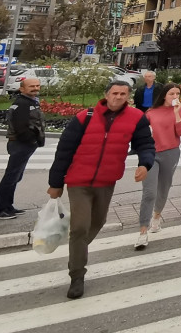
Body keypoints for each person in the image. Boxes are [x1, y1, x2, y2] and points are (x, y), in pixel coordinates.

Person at [48, 80, 155, 299]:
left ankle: (76, 251)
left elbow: (145, 144)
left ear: (128, 97)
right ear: (106, 94)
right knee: (79, 227)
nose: (118, 97)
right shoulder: (83, 118)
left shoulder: (136, 118)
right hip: (79, 181)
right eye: (115, 93)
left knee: (97, 222)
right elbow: (64, 151)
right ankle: (77, 274)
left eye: (123, 94)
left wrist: (145, 163)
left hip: (106, 180)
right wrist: (55, 183)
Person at [136, 83, 181, 249]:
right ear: (164, 95)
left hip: (170, 153)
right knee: (149, 192)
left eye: (178, 94)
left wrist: (176, 113)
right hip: (151, 155)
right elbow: (141, 132)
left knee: (164, 189)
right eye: (171, 93)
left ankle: (156, 218)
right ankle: (142, 232)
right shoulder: (151, 112)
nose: (175, 97)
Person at [0, 76, 44, 219]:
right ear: (22, 89)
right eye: (31, 86)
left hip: (22, 144)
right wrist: (32, 141)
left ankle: (8, 206)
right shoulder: (23, 104)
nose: (35, 88)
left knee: (15, 176)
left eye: (37, 86)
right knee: (11, 177)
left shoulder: (28, 102)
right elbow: (21, 128)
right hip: (21, 144)